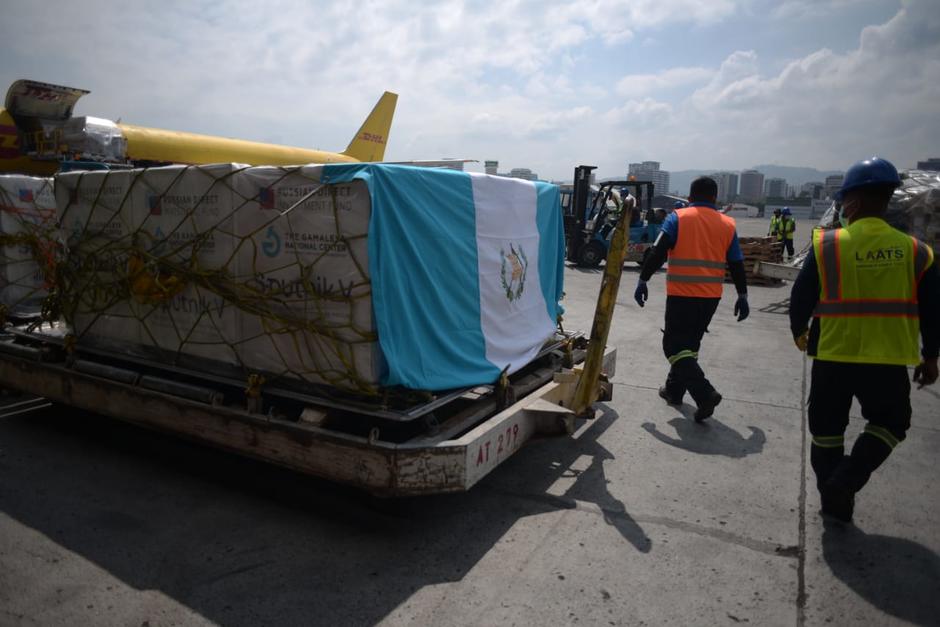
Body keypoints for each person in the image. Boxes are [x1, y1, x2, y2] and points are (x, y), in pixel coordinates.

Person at [789, 157, 939, 523]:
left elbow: (801, 296)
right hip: (887, 360)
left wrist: (800, 333)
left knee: (826, 433)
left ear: (851, 202)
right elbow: (934, 310)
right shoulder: (918, 252)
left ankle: (834, 499)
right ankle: (849, 478)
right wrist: (931, 356)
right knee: (891, 424)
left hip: (832, 355)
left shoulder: (827, 245)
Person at [634, 177, 750, 421]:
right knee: (690, 346)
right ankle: (674, 391)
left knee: (673, 347)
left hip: (681, 294)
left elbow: (658, 251)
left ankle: (704, 392)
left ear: (690, 196)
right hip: (710, 297)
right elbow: (737, 263)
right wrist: (742, 294)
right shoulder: (728, 224)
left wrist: (643, 279)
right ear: (715, 198)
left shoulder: (678, 217)